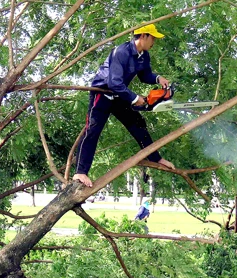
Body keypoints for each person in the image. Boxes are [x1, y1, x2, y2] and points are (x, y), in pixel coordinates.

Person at [73, 24, 175, 188]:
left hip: (120, 95)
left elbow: (145, 75)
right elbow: (114, 82)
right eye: (152, 37)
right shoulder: (121, 52)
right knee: (92, 130)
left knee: (138, 124)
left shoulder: (143, 55)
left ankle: (155, 158)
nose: (154, 41)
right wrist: (135, 99)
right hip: (103, 93)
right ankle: (80, 172)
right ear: (143, 36)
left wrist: (158, 79)